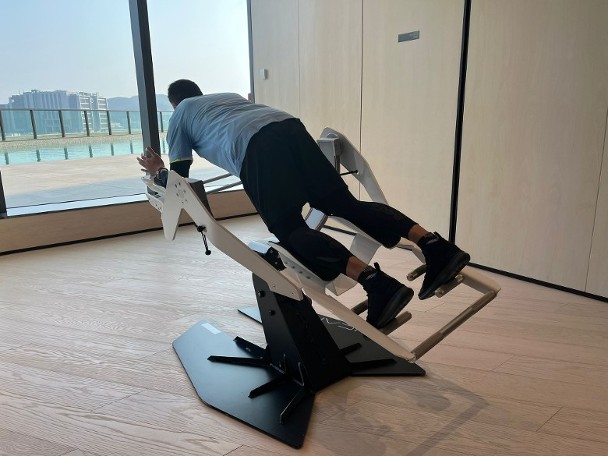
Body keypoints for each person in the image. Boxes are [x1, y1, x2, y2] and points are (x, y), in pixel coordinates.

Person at [138, 79, 470, 330]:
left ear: (174, 103)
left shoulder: (180, 114)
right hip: (290, 128)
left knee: (290, 228)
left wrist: (158, 170)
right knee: (344, 204)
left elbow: (180, 177)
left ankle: (378, 285)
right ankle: (436, 247)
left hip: (256, 149)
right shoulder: (226, 97)